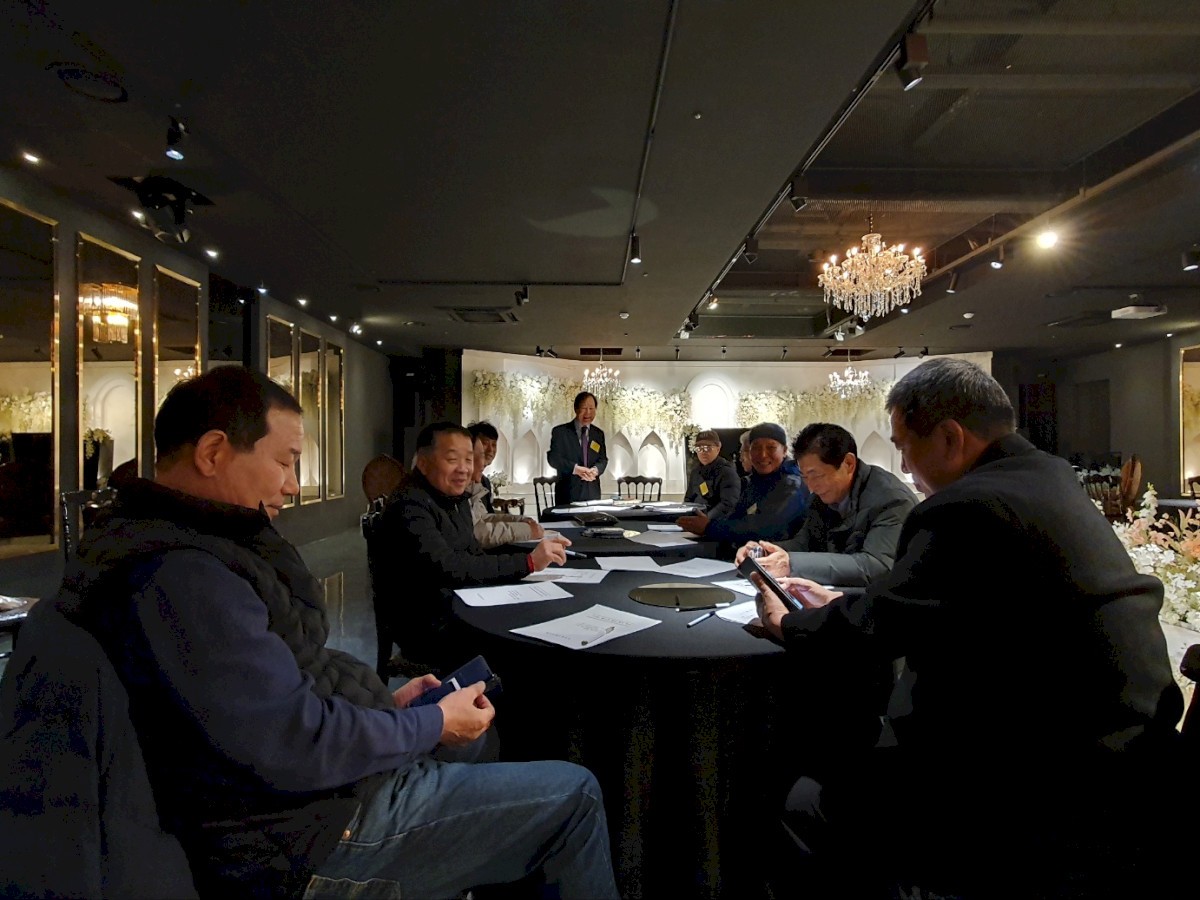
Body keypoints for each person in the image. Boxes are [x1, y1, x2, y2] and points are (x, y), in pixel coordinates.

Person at [50, 367, 617, 898]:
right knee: (576, 795)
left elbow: (270, 700)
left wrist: (388, 707)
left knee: (483, 742)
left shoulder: (185, 549)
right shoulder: (183, 578)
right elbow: (293, 742)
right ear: (213, 453)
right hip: (305, 834)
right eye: (285, 462)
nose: (295, 486)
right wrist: (423, 723)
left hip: (304, 798)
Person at [751, 358, 1182, 896]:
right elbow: (951, 604)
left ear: (951, 438)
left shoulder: (967, 505)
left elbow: (880, 630)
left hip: (1049, 791)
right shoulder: (1048, 477)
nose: (904, 466)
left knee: (803, 798)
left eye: (905, 446)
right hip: (1133, 764)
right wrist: (845, 602)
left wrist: (791, 625)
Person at [381, 422, 570, 666]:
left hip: (459, 605)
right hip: (429, 626)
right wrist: (528, 562)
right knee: (534, 648)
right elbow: (448, 567)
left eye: (469, 459)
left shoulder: (453, 498)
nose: (464, 469)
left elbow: (473, 554)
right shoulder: (410, 504)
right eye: (452, 459)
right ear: (424, 463)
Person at [736, 423, 915, 587]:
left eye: (817, 475)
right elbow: (805, 543)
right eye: (805, 477)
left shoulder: (891, 500)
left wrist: (790, 563)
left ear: (848, 464)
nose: (811, 487)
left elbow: (875, 567)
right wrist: (764, 553)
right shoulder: (821, 499)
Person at [677, 422, 808, 545]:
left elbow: (766, 527)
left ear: (784, 451)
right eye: (756, 448)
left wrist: (709, 527)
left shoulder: (791, 484)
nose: (763, 455)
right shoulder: (756, 481)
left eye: (771, 448)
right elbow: (735, 515)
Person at [467, 420, 543, 547]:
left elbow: (484, 517)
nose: (490, 450)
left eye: (494, 445)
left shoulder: (482, 482)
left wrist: (521, 521)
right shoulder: (456, 489)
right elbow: (478, 532)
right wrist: (524, 530)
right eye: (485, 444)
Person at [547, 391, 607, 506]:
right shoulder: (561, 432)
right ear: (576, 409)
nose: (588, 413)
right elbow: (554, 458)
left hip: (592, 493)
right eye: (584, 408)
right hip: (567, 494)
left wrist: (595, 470)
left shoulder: (598, 434)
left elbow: (603, 459)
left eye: (591, 408)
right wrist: (575, 469)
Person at [684, 429, 741, 520]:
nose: (703, 452)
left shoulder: (727, 472)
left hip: (718, 523)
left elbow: (728, 504)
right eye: (699, 448)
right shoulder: (696, 473)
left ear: (718, 448)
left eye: (708, 448)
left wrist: (706, 520)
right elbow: (688, 500)